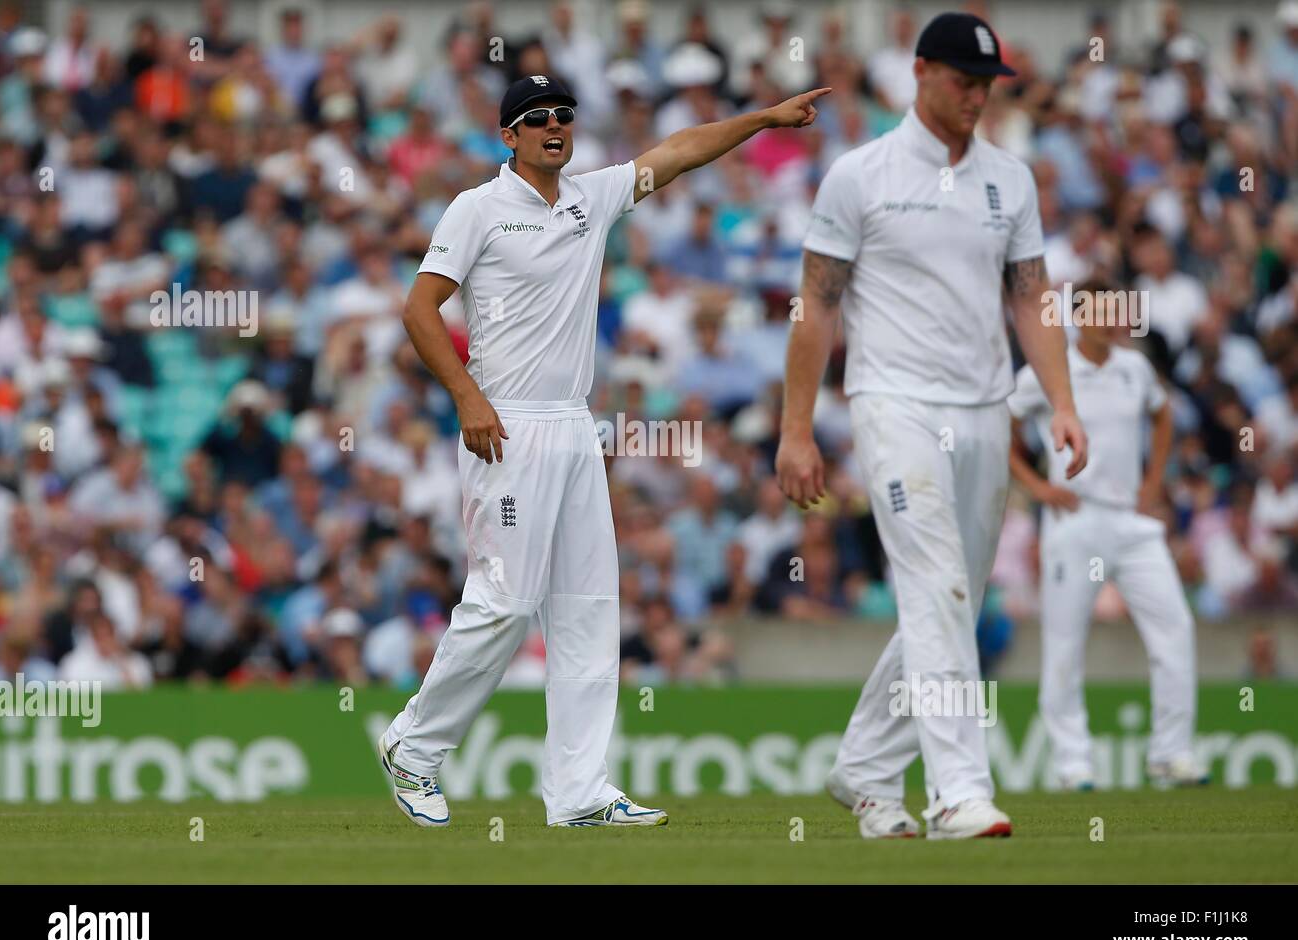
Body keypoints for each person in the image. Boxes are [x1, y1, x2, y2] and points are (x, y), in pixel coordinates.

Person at [382, 73, 828, 828]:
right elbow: (419, 308)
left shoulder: (593, 195)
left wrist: (764, 117)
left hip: (573, 423)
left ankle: (579, 790)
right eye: (538, 118)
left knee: (588, 610)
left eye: (564, 115)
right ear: (510, 135)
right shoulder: (478, 208)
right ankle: (414, 747)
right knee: (504, 600)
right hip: (506, 424)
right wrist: (466, 396)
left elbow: (681, 150)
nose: (556, 125)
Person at [776, 12, 1088, 840]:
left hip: (984, 410)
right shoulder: (858, 174)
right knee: (939, 590)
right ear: (919, 73)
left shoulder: (1011, 179)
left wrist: (1059, 400)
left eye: (987, 84)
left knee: (947, 602)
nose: (976, 96)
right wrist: (795, 430)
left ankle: (867, 768)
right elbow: (817, 306)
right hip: (892, 403)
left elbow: (1031, 296)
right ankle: (958, 791)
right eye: (962, 80)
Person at [1010, 280, 1205, 790]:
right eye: (1097, 313)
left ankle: (1172, 753)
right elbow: (999, 425)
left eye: (1113, 312)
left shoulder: (1134, 368)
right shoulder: (1048, 375)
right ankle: (1073, 764)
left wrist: (1153, 482)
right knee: (1065, 645)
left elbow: (1163, 416)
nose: (1108, 321)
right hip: (1074, 520)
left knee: (1175, 627)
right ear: (1077, 318)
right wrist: (1037, 487)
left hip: (1132, 521)